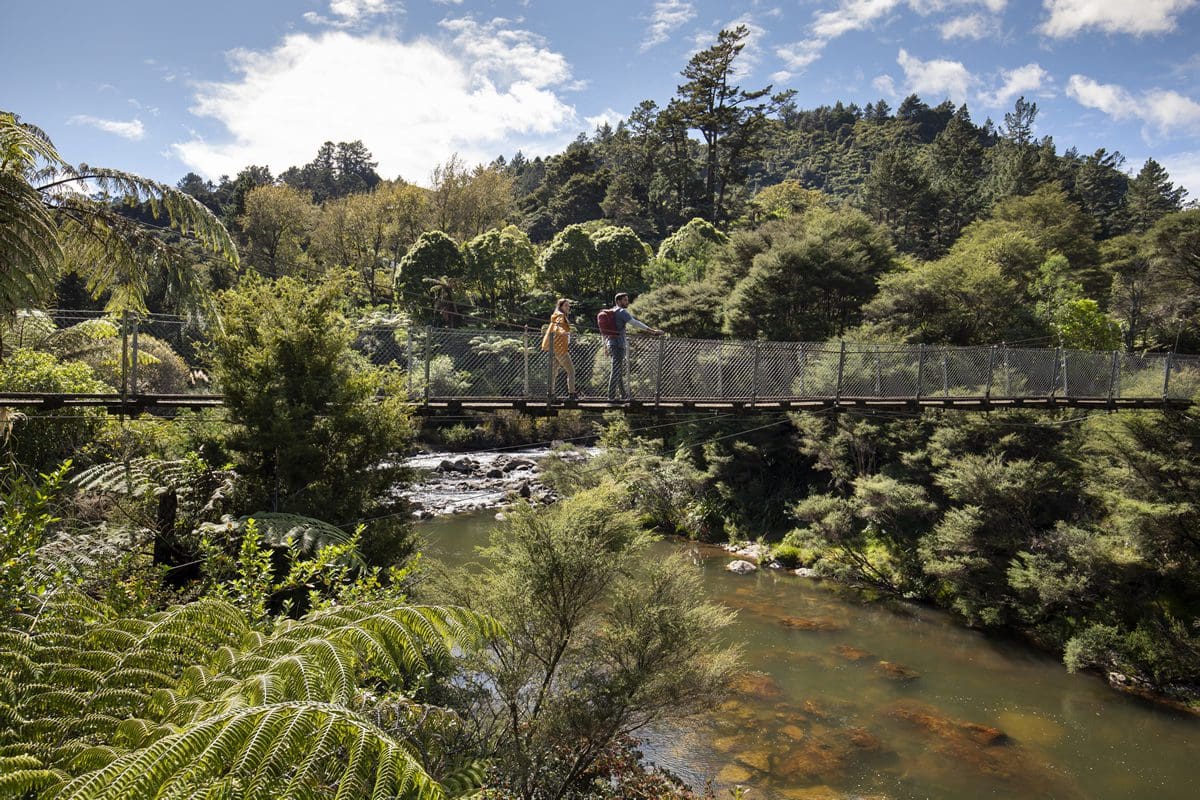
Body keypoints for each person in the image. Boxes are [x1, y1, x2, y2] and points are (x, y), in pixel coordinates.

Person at [604, 292, 663, 400]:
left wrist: (605, 346)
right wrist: (652, 331)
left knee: (618, 370)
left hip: (611, 343)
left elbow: (605, 331)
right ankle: (611, 397)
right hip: (618, 344)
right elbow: (635, 323)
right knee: (616, 370)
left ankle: (623, 395)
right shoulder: (621, 312)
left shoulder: (612, 311)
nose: (627, 302)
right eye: (625, 300)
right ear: (618, 301)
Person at [541, 298, 577, 399]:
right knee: (571, 371)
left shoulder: (557, 314)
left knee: (554, 372)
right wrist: (563, 332)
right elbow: (558, 326)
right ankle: (572, 393)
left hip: (554, 347)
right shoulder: (560, 315)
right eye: (566, 306)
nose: (568, 307)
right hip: (559, 348)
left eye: (568, 306)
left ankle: (551, 394)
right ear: (560, 306)